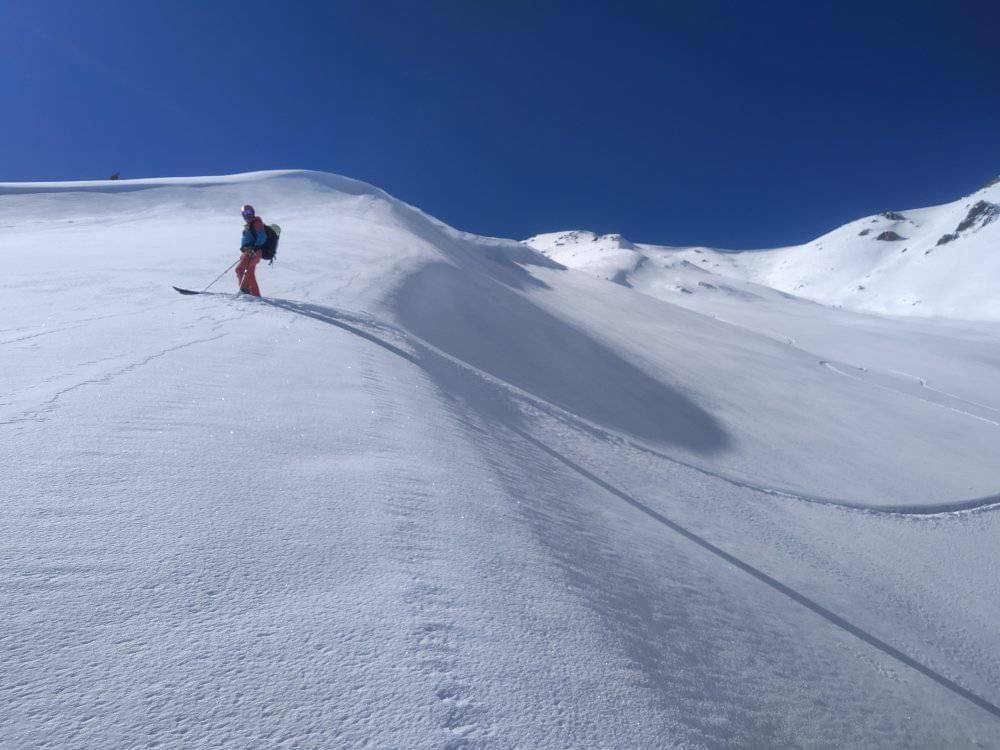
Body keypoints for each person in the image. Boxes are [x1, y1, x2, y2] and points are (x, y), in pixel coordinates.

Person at [236, 204, 266, 296]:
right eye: (245, 213)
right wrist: (243, 247)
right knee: (249, 274)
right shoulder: (248, 226)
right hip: (249, 252)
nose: (247, 215)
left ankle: (245, 292)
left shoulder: (257, 222)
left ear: (253, 213)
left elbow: (262, 237)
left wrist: (254, 248)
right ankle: (256, 296)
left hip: (253, 252)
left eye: (249, 212)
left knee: (240, 269)